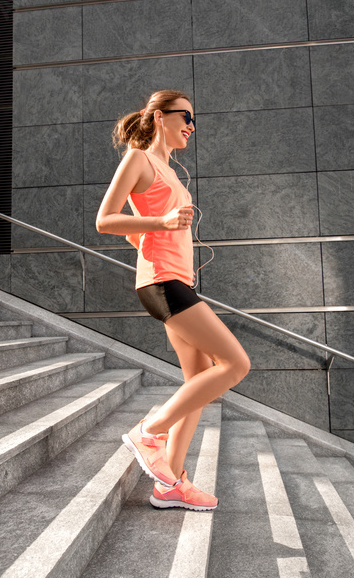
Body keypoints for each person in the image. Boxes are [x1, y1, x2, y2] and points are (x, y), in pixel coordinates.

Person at [96, 89, 250, 512]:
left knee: (197, 383)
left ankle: (171, 484)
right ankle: (150, 431)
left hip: (178, 281)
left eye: (194, 120)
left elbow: (133, 231)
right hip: (163, 284)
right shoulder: (139, 159)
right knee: (235, 364)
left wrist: (148, 232)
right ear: (159, 116)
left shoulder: (169, 170)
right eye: (186, 116)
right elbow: (104, 219)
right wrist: (159, 222)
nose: (191, 126)